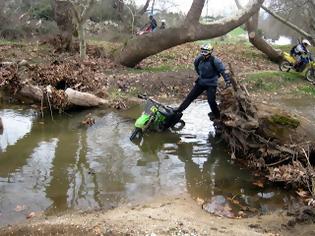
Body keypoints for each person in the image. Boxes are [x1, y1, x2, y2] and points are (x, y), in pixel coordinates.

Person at [175, 43, 231, 120]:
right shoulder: (198, 59)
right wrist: (201, 76)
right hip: (201, 82)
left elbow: (222, 71)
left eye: (206, 52)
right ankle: (178, 111)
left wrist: (227, 81)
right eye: (203, 51)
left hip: (211, 84)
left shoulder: (216, 61)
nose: (204, 54)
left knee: (211, 101)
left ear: (210, 52)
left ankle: (217, 117)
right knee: (190, 97)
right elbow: (197, 68)